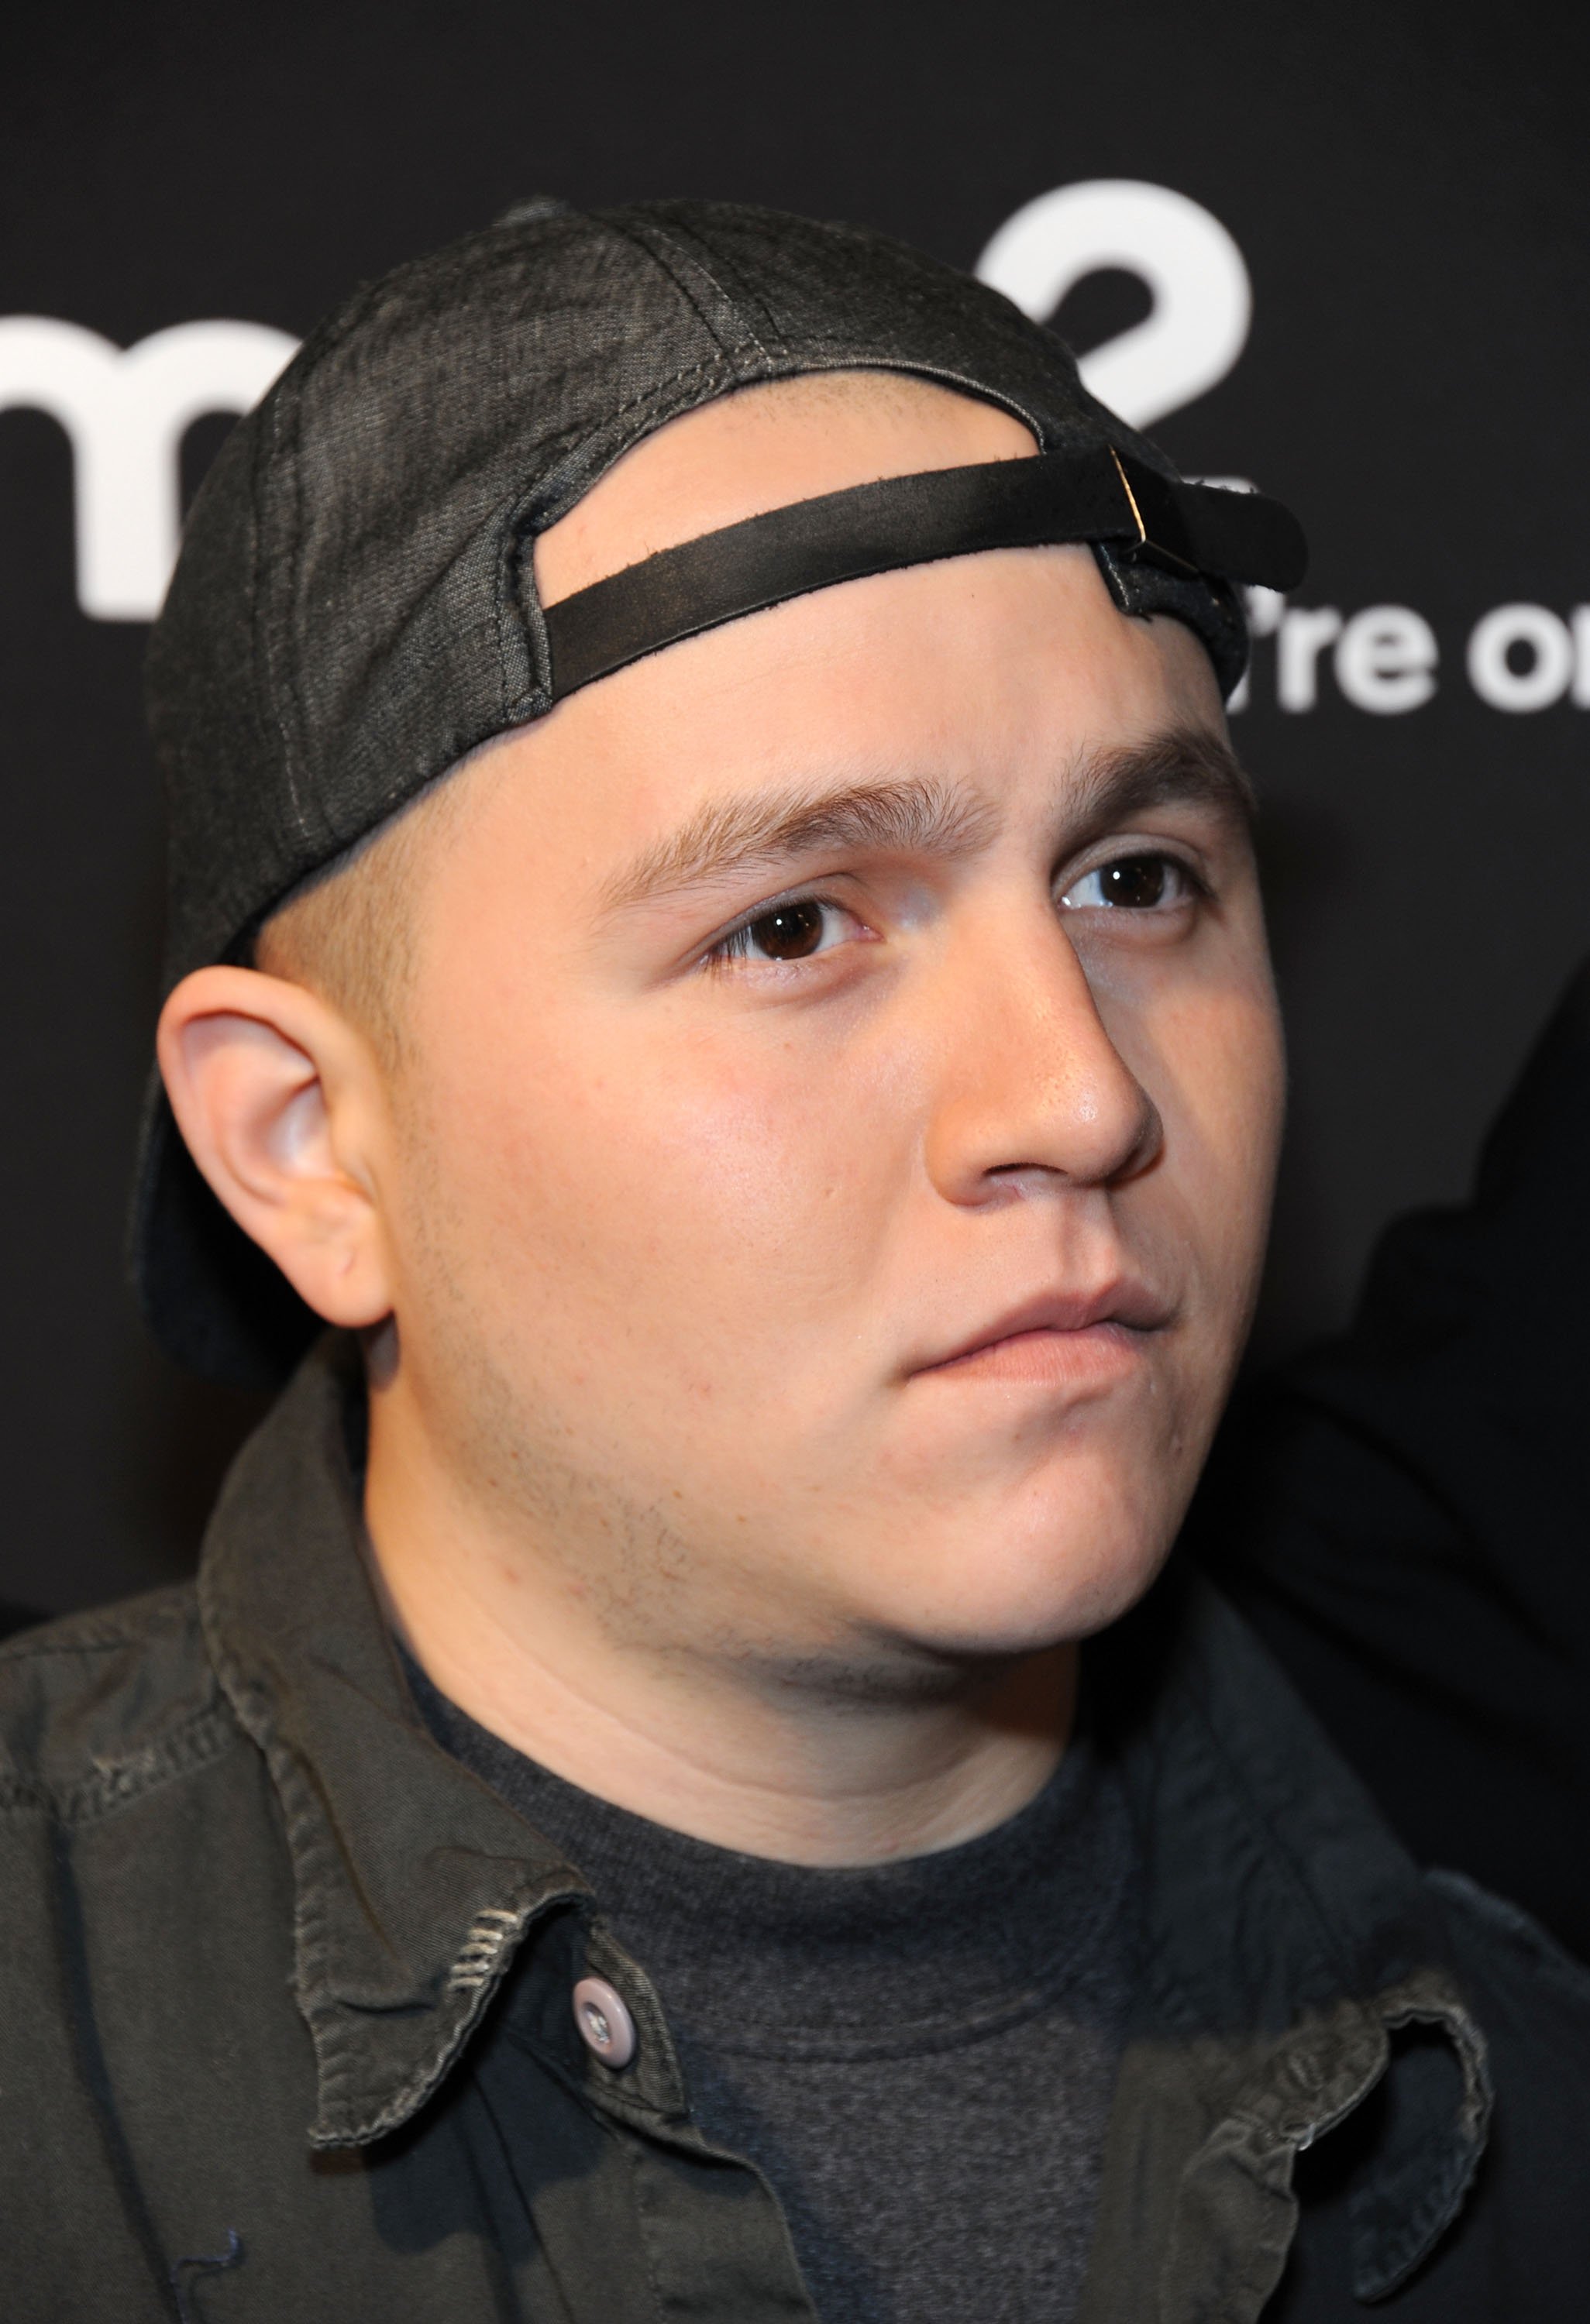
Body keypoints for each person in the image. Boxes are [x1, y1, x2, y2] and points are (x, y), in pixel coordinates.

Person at [1, 198, 1585, 2323]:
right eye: (792, 925)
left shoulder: (1512, 2104)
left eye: (1134, 877)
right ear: (311, 1149)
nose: (1080, 1098)